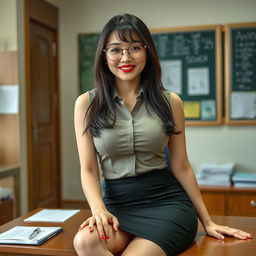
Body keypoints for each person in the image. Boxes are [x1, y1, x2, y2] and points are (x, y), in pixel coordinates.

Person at [73, 13, 252, 256]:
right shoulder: (86, 103)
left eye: (135, 47)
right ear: (104, 55)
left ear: (147, 51)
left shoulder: (171, 102)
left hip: (166, 204)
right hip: (117, 204)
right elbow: (89, 168)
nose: (125, 57)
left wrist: (207, 221)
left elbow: (182, 166)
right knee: (85, 242)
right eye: (115, 49)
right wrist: (98, 209)